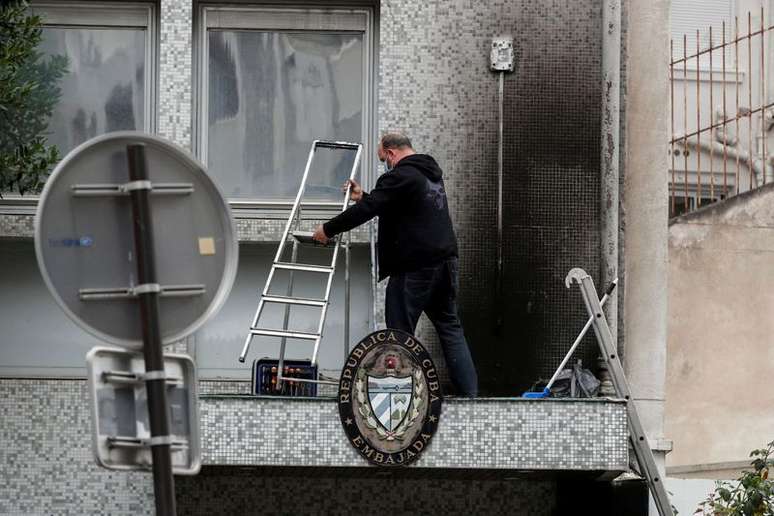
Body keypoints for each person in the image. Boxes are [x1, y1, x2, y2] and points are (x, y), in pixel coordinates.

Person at [312, 133, 478, 397]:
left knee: (399, 334)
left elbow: (370, 210)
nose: (385, 166)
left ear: (391, 153)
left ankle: (403, 397)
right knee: (450, 328)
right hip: (446, 263)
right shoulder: (429, 173)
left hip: (415, 266)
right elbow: (398, 206)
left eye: (383, 160)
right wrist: (363, 195)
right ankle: (470, 396)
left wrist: (327, 229)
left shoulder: (400, 175)